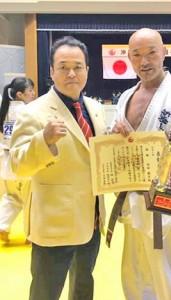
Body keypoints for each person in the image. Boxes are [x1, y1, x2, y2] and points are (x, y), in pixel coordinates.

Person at [110, 28, 171, 300]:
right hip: (133, 202)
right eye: (137, 55)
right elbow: (116, 152)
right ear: (129, 58)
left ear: (164, 52)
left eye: (152, 52)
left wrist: (169, 153)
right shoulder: (125, 97)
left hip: (168, 203)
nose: (145, 61)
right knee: (137, 274)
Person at [9, 36, 107, 300]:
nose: (71, 73)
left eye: (78, 66)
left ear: (88, 70)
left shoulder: (96, 110)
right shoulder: (33, 112)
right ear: (51, 72)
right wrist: (44, 141)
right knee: (45, 292)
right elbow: (16, 165)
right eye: (63, 67)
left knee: (83, 288)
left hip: (92, 220)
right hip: (55, 222)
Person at [0, 77, 35, 243]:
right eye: (30, 91)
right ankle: (30, 234)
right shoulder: (28, 111)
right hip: (24, 159)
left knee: (11, 196)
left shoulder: (4, 110)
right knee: (30, 199)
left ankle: (3, 225)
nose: (33, 94)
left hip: (7, 162)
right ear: (20, 94)